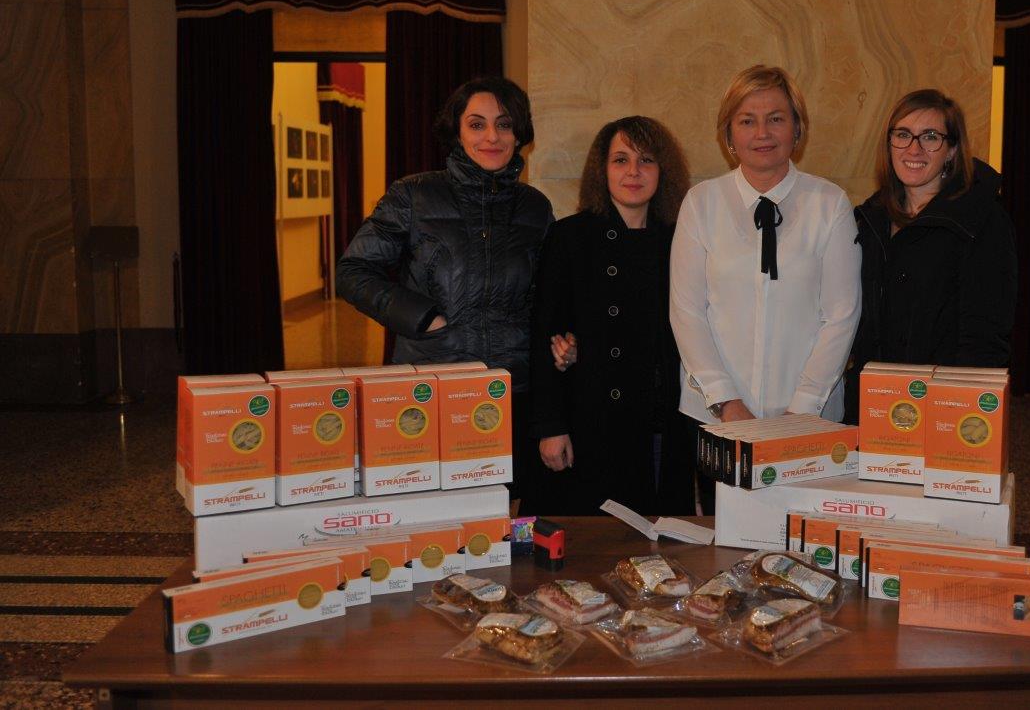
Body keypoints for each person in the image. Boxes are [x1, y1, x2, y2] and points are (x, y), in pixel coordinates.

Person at [336, 76, 554, 500]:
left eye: (504, 124)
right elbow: (354, 270)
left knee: (506, 511)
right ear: (457, 131)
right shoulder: (414, 195)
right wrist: (421, 317)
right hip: (431, 385)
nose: (492, 136)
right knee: (432, 510)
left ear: (520, 134)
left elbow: (545, 294)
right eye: (477, 124)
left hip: (512, 390)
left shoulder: (535, 207)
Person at [670, 65, 861, 509]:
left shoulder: (829, 203)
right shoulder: (701, 203)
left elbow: (841, 315)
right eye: (747, 120)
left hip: (811, 420)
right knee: (724, 537)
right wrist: (727, 404)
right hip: (720, 420)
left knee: (804, 536)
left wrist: (801, 412)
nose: (762, 132)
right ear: (729, 135)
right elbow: (687, 311)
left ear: (797, 128)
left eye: (776, 118)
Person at [530, 116, 693, 515]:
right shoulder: (570, 237)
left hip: (661, 423)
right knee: (592, 542)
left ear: (663, 171)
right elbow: (543, 336)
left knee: (661, 539)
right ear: (602, 170)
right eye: (621, 160)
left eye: (646, 160)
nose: (633, 171)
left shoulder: (681, 239)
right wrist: (551, 427)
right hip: (590, 422)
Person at [843, 88, 1016, 417]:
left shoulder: (981, 221)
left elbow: (985, 334)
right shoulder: (870, 218)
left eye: (931, 137)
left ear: (951, 150)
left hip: (941, 408)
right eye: (903, 135)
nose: (914, 148)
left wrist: (957, 410)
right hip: (873, 402)